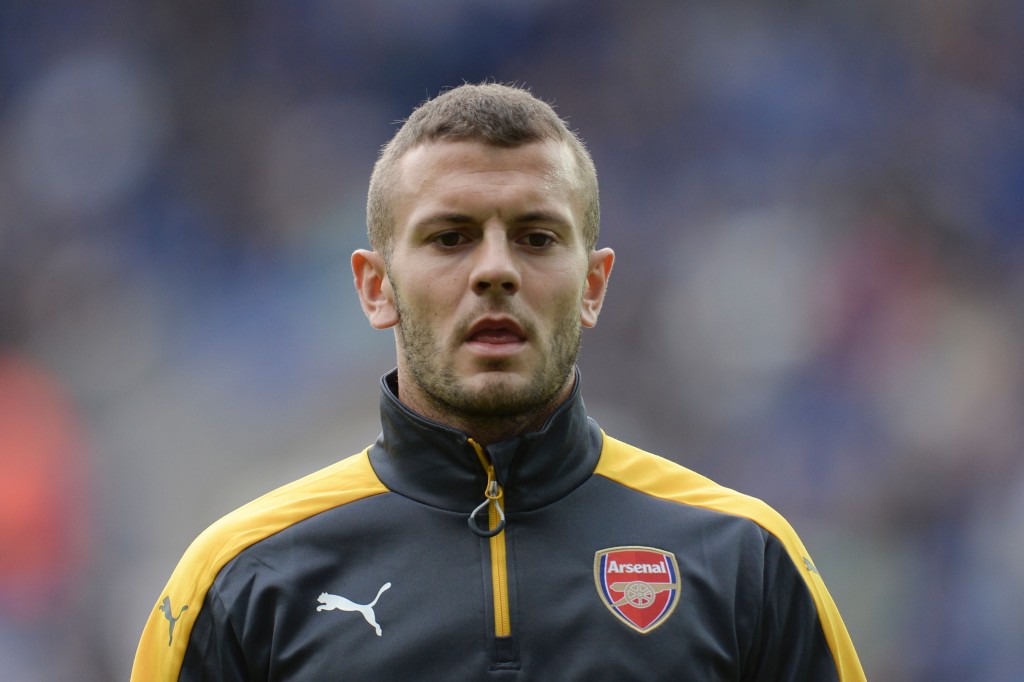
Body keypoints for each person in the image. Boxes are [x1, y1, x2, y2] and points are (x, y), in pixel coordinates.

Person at [132, 82, 865, 680]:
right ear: (374, 286)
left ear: (594, 284)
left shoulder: (743, 560)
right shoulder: (242, 579)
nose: (494, 270)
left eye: (536, 238)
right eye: (449, 237)